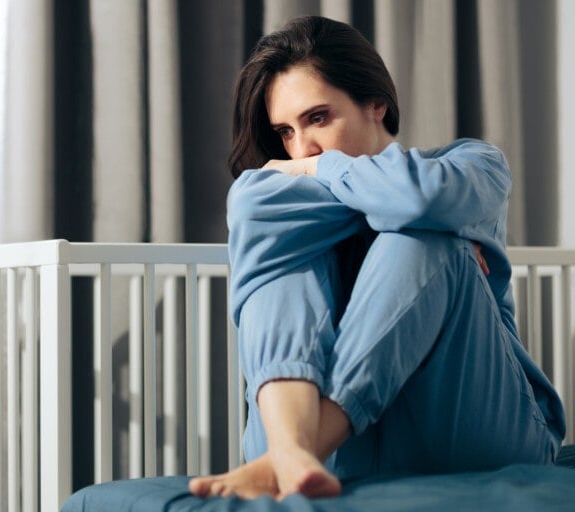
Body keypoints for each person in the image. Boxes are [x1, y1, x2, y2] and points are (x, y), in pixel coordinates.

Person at [188, 15, 566, 500]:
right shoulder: (271, 192)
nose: (301, 149)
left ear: (376, 104)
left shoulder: (469, 166)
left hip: (477, 432)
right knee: (286, 254)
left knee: (422, 236)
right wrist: (388, 203)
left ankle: (290, 455)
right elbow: (249, 200)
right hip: (347, 450)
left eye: (317, 118)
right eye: (285, 131)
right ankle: (288, 446)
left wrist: (323, 170)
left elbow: (425, 198)